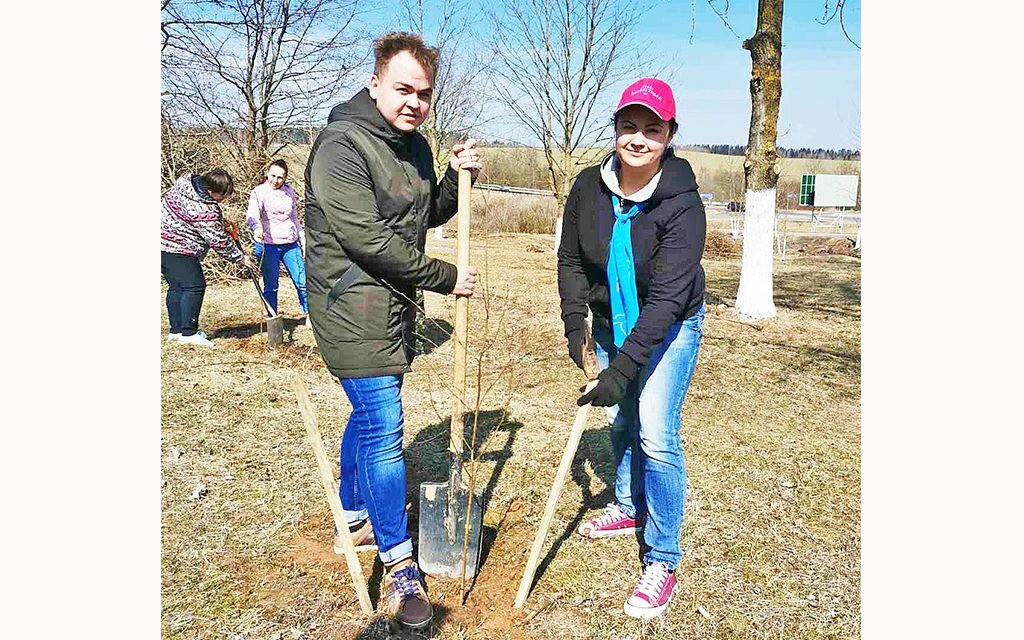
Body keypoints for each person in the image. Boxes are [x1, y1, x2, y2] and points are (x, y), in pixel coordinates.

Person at [303, 32, 482, 630]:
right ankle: (401, 564)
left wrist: (456, 179)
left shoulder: (413, 147)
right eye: (403, 88)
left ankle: (352, 510)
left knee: (369, 413)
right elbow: (368, 240)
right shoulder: (341, 146)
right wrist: (444, 276)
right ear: (375, 82)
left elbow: (424, 213)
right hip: (348, 306)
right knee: (384, 424)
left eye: (424, 93)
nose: (414, 102)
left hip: (392, 309)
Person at [557, 78, 707, 620]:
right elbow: (572, 261)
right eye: (629, 126)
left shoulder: (683, 205)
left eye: (652, 128)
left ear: (669, 135)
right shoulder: (587, 188)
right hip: (608, 319)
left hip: (670, 324)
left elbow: (667, 300)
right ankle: (627, 503)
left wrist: (621, 368)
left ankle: (663, 559)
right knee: (620, 421)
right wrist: (576, 324)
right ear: (615, 128)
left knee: (655, 431)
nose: (638, 138)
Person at [161, 169, 256, 347]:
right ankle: (188, 333)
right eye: (223, 196)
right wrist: (240, 258)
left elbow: (194, 218)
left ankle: (176, 331)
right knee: (194, 286)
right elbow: (218, 242)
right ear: (212, 191)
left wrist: (220, 222)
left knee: (177, 287)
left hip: (160, 245)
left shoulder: (185, 185)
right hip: (179, 248)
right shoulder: (206, 209)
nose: (223, 200)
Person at [246, 159, 309, 325]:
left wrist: (303, 240)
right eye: (273, 175)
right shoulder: (258, 192)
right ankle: (272, 318)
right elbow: (252, 215)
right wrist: (257, 228)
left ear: (285, 178)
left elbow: (294, 217)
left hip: (290, 243)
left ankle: (310, 315)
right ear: (267, 173)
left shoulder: (290, 192)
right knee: (271, 285)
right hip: (268, 245)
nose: (275, 180)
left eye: (280, 177)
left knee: (302, 281)